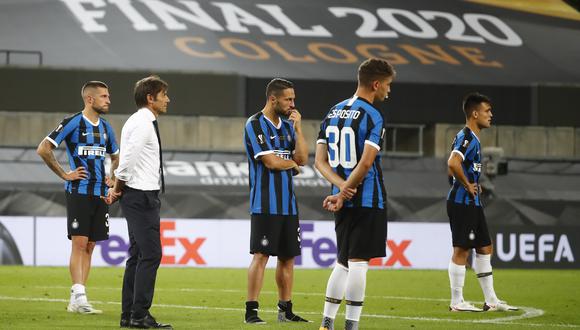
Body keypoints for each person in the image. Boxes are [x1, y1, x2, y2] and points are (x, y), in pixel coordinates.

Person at [315, 58, 394, 330]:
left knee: (343, 261)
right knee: (359, 263)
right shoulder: (373, 116)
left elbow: (319, 162)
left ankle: (327, 323)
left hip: (342, 199)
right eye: (387, 85)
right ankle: (352, 326)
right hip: (368, 198)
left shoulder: (332, 112)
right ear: (375, 84)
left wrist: (340, 190)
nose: (388, 90)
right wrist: (348, 189)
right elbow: (367, 162)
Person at [37, 81, 119, 314]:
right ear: (90, 99)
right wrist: (65, 174)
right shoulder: (73, 122)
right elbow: (44, 148)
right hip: (79, 192)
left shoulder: (106, 127)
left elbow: (116, 157)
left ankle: (78, 297)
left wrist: (112, 178)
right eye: (104, 96)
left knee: (91, 245)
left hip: (100, 194)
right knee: (80, 243)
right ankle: (79, 296)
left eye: (108, 96)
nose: (108, 100)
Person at [104, 76, 172, 329]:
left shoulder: (140, 121)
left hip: (139, 194)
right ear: (150, 98)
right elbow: (127, 161)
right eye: (163, 94)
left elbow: (128, 161)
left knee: (138, 255)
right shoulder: (143, 123)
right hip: (141, 195)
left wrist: (120, 189)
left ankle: (129, 315)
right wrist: (118, 189)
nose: (167, 99)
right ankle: (140, 315)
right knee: (151, 254)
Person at [243, 78, 310, 324]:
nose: (293, 104)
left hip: (288, 205)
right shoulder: (255, 124)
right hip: (265, 203)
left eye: (293, 99)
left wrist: (299, 128)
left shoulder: (288, 126)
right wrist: (290, 163)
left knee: (288, 257)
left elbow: (302, 158)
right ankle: (251, 311)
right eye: (288, 99)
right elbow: (271, 162)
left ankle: (286, 310)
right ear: (273, 99)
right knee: (261, 255)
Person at [446, 92, 519, 312]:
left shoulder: (475, 139)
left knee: (485, 247)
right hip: (462, 202)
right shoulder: (467, 136)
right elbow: (452, 163)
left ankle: (491, 300)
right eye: (487, 111)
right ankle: (457, 301)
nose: (491, 115)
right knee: (462, 250)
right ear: (475, 113)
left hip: (473, 203)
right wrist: (468, 185)